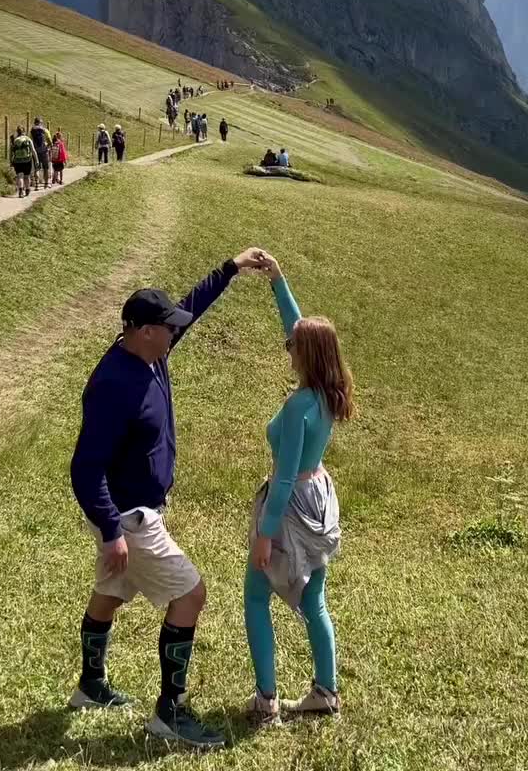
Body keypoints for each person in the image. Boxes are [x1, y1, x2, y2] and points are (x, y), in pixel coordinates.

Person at [69, 247, 269, 748]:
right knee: (190, 595)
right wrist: (113, 530)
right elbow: (85, 467)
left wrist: (232, 267)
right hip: (130, 517)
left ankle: (90, 687)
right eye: (167, 328)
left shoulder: (149, 352)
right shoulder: (116, 383)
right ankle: (170, 713)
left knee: (111, 592)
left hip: (130, 513)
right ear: (142, 330)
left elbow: (191, 307)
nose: (175, 333)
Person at [244, 255, 354, 725]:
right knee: (315, 601)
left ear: (305, 355)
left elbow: (284, 477)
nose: (286, 348)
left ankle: (266, 700)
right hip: (319, 497)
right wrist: (278, 283)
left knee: (255, 595)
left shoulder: (297, 408)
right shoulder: (327, 393)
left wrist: (266, 535)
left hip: (289, 507)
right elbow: (303, 329)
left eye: (292, 346)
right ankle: (325, 692)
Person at [10, 126, 35, 198]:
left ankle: (20, 191)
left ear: (17, 132)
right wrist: (36, 160)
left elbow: (12, 152)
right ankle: (27, 189)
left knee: (20, 176)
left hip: (17, 160)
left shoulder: (15, 140)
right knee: (27, 176)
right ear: (24, 131)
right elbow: (33, 151)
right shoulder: (28, 139)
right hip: (27, 160)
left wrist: (11, 161)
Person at [30, 117, 52, 188]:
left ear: (35, 122)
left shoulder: (32, 131)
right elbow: (50, 141)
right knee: (46, 168)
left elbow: (30, 141)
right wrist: (48, 146)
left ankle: (36, 184)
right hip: (44, 151)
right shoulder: (45, 130)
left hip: (35, 152)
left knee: (37, 168)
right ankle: (46, 184)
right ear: (41, 123)